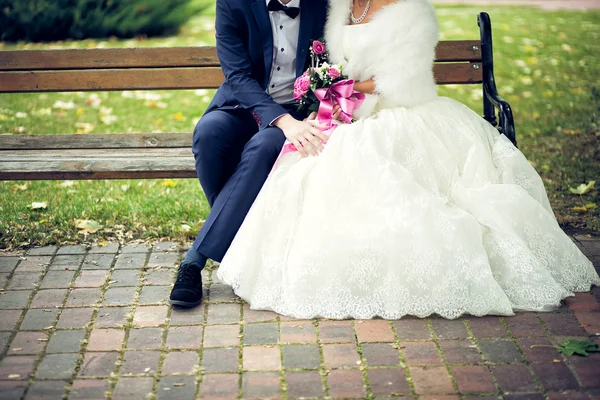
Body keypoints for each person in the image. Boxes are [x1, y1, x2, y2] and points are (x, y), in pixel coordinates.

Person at [215, 0, 600, 319]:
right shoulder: (343, 6)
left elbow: (403, 80)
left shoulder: (412, 11)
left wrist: (338, 86)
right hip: (348, 112)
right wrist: (329, 94)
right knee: (306, 166)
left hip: (399, 113)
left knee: (382, 177)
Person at [169, 0, 329, 307]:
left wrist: (316, 111)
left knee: (264, 146)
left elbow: (336, 64)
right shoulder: (233, 3)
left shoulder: (324, 4)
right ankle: (236, 239)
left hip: (297, 112)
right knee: (209, 132)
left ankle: (193, 261)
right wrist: (282, 121)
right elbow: (238, 76)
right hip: (241, 104)